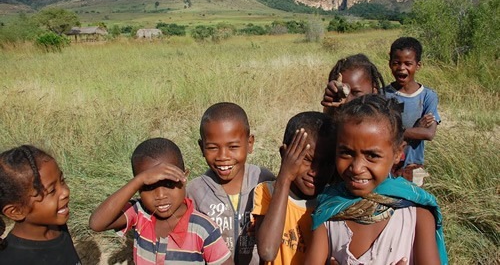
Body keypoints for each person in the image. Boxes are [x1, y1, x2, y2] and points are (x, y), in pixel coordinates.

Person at [306, 94, 448, 265]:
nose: (357, 168)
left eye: (372, 155)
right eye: (346, 153)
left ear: (397, 153)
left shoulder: (417, 215)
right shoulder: (328, 209)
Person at [89, 137, 232, 265]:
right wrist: (139, 180)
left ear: (184, 176)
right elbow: (97, 223)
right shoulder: (140, 212)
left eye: (169, 183)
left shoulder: (203, 228)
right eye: (149, 186)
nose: (160, 195)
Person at [186, 102, 275, 265]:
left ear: (250, 143)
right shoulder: (195, 192)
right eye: (212, 148)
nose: (223, 156)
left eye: (233, 146)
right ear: (201, 147)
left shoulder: (264, 180)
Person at [252, 111, 336, 265]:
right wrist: (285, 177)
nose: (315, 172)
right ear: (285, 155)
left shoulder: (332, 201)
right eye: (307, 159)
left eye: (326, 163)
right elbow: (267, 251)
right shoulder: (267, 192)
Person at [0, 145, 81, 265]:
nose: (65, 192)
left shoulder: (57, 226)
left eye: (62, 180)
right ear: (16, 211)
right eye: (52, 190)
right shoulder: (13, 259)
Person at [384, 37, 440, 186]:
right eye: (396, 63)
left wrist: (395, 131)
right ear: (390, 64)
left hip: (414, 165)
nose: (402, 68)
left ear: (418, 65)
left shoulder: (428, 96)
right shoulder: (383, 95)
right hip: (386, 164)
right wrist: (417, 128)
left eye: (408, 63)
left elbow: (428, 133)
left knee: (414, 202)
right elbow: (382, 132)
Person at [321, 53, 386, 117]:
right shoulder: (338, 119)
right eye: (341, 94)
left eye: (356, 92)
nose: (347, 101)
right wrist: (330, 108)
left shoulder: (385, 119)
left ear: (374, 89)